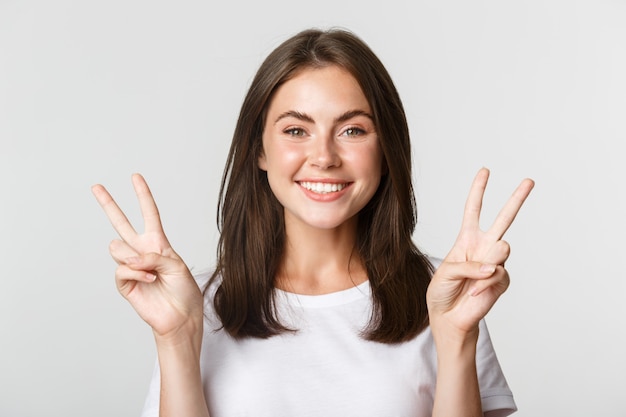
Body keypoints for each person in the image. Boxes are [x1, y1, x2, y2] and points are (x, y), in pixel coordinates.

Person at [92, 28, 534, 417]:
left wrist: (456, 337)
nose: (324, 157)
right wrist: (178, 338)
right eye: (296, 130)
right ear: (260, 151)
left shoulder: (445, 294)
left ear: (386, 149)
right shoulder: (197, 305)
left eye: (353, 130)